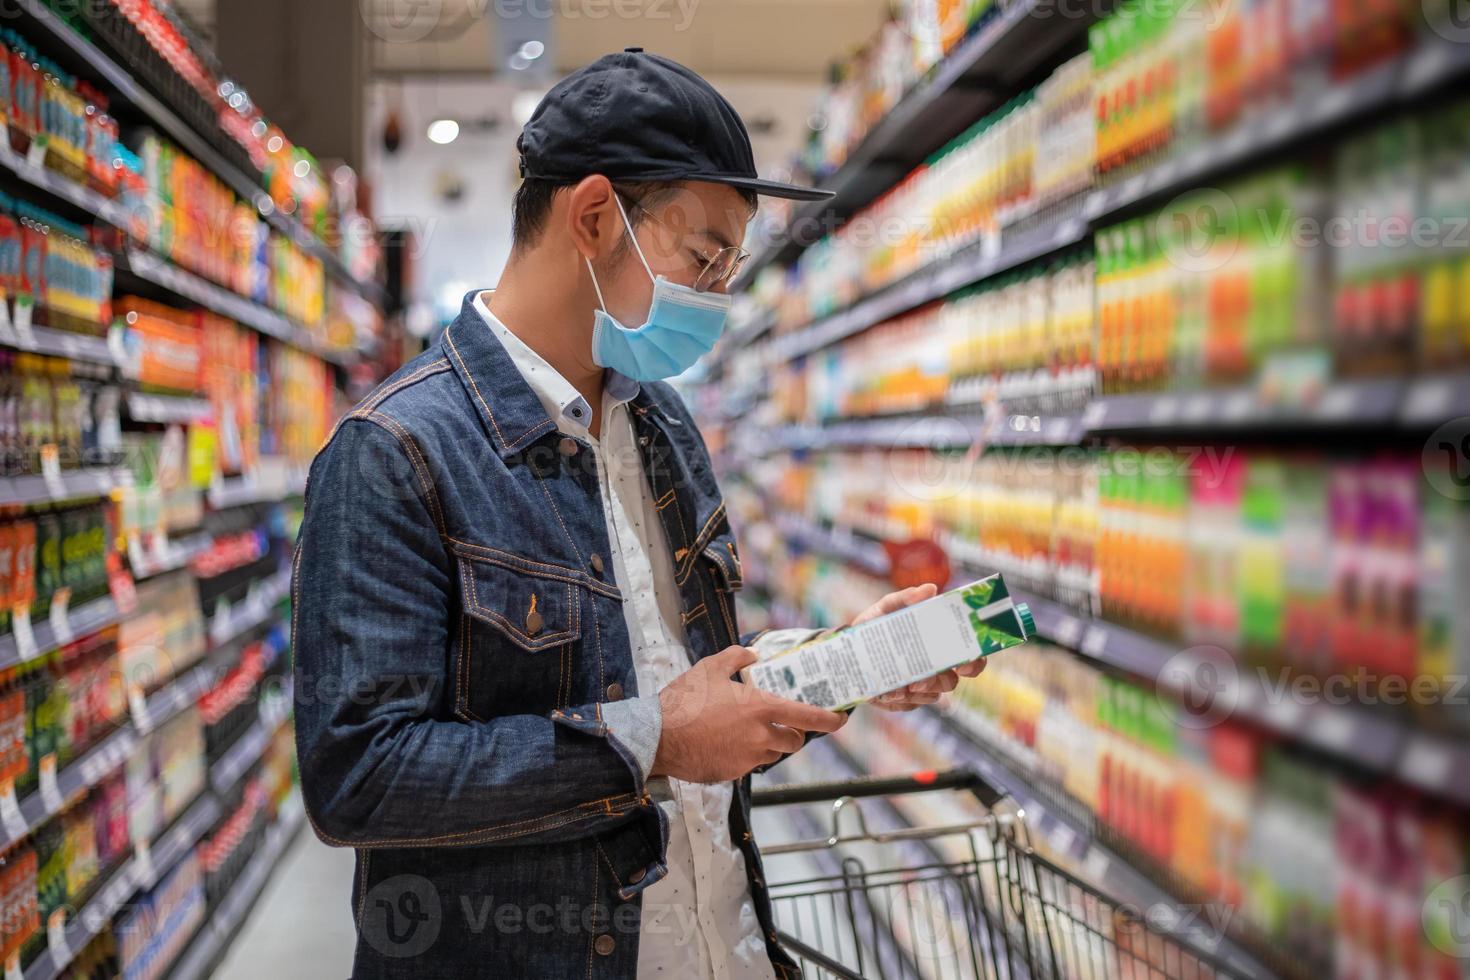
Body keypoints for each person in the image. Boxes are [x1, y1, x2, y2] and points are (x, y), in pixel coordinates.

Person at [291, 47, 986, 979]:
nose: (719, 298)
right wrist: (651, 742)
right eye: (704, 258)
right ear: (592, 217)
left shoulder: (660, 425)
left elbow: (682, 683)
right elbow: (360, 779)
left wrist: (838, 663)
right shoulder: (394, 453)